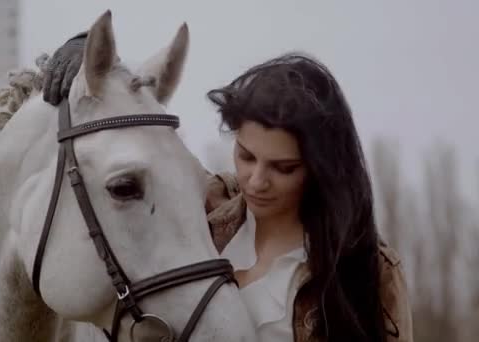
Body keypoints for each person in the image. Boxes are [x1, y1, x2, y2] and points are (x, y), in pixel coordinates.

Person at [41, 34, 413, 342]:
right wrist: (84, 52)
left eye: (283, 168)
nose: (257, 180)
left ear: (322, 168)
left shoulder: (366, 270)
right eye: (246, 156)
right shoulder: (200, 210)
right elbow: (130, 151)